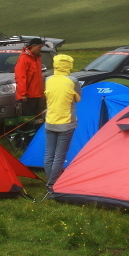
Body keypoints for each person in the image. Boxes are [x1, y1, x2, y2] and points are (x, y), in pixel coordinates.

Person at [43, 54, 81, 191]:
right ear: (69, 65)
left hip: (50, 121)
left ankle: (50, 180)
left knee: (49, 154)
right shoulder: (73, 80)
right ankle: (52, 184)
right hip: (66, 123)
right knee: (59, 156)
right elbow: (78, 98)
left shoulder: (48, 79)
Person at [14, 38, 45, 117]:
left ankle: (35, 129)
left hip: (37, 94)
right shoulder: (24, 59)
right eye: (39, 47)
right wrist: (23, 94)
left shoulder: (37, 58)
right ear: (33, 46)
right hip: (28, 96)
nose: (40, 50)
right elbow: (21, 77)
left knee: (38, 118)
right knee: (27, 119)